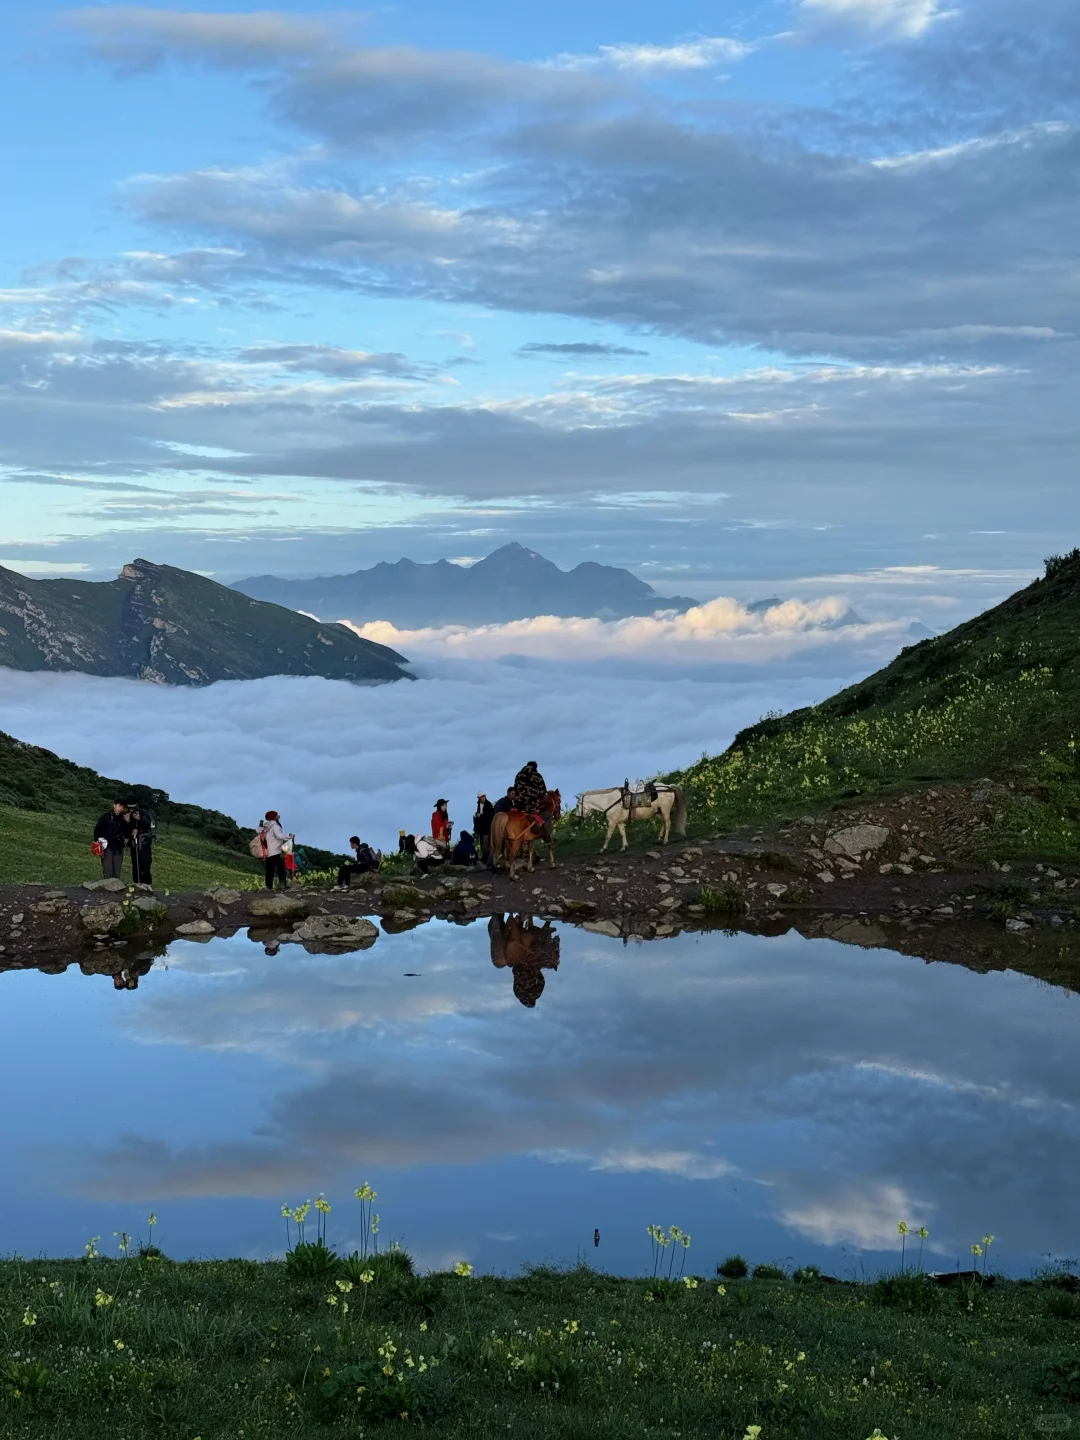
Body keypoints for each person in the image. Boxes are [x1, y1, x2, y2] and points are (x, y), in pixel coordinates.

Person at [93, 799, 132, 880]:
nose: (120, 808)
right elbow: (97, 830)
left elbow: (127, 834)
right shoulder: (105, 817)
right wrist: (98, 840)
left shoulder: (123, 819)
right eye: (119, 806)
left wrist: (128, 822)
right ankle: (106, 888)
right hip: (107, 847)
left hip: (119, 847)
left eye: (122, 807)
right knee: (107, 868)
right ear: (114, 805)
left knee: (117, 870)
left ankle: (115, 888)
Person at [125, 796, 155, 887]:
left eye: (133, 807)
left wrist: (140, 819)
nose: (131, 809)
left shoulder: (143, 813)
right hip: (134, 843)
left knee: (145, 863)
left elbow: (150, 824)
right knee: (135, 864)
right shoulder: (126, 815)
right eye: (129, 807)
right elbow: (125, 831)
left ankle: (147, 884)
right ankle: (137, 883)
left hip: (144, 843)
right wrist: (128, 822)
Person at [260, 810, 293, 891]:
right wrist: (290, 837)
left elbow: (258, 830)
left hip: (267, 852)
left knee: (269, 870)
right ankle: (283, 886)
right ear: (275, 817)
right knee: (281, 869)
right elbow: (279, 836)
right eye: (278, 816)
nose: (278, 817)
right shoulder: (275, 826)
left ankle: (268, 887)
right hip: (274, 851)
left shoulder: (265, 827)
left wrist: (260, 825)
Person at [473, 793, 494, 862]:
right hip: (481, 829)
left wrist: (480, 816)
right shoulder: (479, 804)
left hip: (487, 828)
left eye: (484, 797)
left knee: (486, 845)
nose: (483, 798)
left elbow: (488, 816)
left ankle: (488, 859)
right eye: (481, 797)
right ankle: (485, 859)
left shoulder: (488, 805)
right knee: (483, 845)